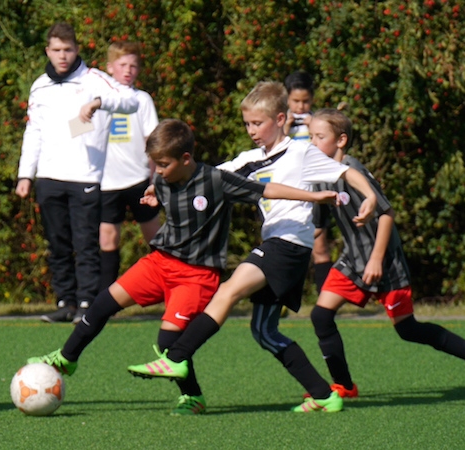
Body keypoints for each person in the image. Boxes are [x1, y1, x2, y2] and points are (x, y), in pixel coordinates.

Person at [27, 119, 339, 415]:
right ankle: (67, 358)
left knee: (168, 344)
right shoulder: (162, 180)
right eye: (155, 165)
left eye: (163, 165)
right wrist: (154, 192)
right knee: (102, 304)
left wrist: (313, 196)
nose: (158, 171)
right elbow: (164, 189)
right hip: (159, 263)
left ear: (186, 158)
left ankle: (192, 397)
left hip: (196, 275)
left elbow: (267, 190)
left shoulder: (216, 180)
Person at [127, 81, 379, 414]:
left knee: (228, 291)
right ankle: (323, 395)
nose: (251, 130)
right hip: (276, 243)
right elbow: (202, 177)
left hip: (289, 244)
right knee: (264, 331)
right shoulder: (249, 159)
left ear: (280, 119)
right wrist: (158, 189)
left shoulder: (301, 152)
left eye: (258, 123)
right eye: (247, 124)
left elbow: (345, 173)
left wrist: (370, 195)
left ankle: (176, 356)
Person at [305, 108, 465, 399]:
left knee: (407, 329)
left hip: (385, 261)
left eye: (319, 136)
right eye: (310, 136)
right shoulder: (319, 176)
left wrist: (376, 258)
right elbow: (317, 226)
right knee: (321, 316)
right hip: (352, 261)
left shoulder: (353, 169)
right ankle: (344, 386)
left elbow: (387, 214)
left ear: (341, 140)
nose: (312, 143)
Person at [15, 22, 139, 324]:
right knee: (57, 244)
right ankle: (65, 301)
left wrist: (99, 102)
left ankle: (87, 302)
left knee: (85, 243)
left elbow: (131, 101)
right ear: (47, 51)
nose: (62, 56)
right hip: (48, 176)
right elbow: (34, 131)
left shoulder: (94, 79)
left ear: (77, 50)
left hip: (85, 177)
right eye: (56, 50)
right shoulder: (40, 86)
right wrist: (25, 174)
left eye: (68, 50)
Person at [98, 41, 161, 304]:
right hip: (106, 182)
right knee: (108, 239)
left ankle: (169, 287)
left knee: (155, 237)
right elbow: (78, 131)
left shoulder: (142, 99)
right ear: (109, 67)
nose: (128, 70)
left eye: (133, 66)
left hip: (138, 179)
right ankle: (105, 299)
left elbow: (153, 141)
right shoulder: (98, 99)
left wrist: (155, 177)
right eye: (122, 65)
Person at [283, 70, 332, 294]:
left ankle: (324, 299)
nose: (300, 106)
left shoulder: (318, 123)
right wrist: (285, 128)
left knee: (320, 244)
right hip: (289, 188)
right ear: (287, 99)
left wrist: (315, 128)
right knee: (285, 244)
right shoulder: (281, 123)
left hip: (315, 188)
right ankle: (283, 295)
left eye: (305, 101)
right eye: (295, 101)